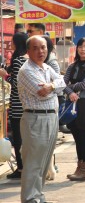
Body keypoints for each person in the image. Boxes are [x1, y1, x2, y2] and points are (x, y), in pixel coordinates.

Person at [17, 35, 66, 203]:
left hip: (51, 117)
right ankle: (30, 198)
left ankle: (38, 196)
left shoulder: (46, 67)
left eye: (43, 47)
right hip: (35, 118)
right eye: (36, 48)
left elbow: (62, 83)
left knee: (44, 161)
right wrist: (55, 87)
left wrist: (51, 85)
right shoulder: (26, 71)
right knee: (33, 162)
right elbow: (42, 95)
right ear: (28, 51)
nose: (40, 51)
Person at [63, 38, 85, 181]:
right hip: (72, 104)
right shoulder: (72, 66)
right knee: (77, 138)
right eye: (80, 47)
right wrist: (70, 92)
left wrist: (69, 88)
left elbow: (84, 85)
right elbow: (62, 83)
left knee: (84, 137)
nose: (83, 49)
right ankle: (79, 168)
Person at [0, 32, 29, 179]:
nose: (10, 44)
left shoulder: (18, 61)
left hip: (18, 107)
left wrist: (5, 75)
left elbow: (17, 84)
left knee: (18, 139)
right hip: (24, 106)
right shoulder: (26, 59)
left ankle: (21, 169)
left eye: (12, 42)